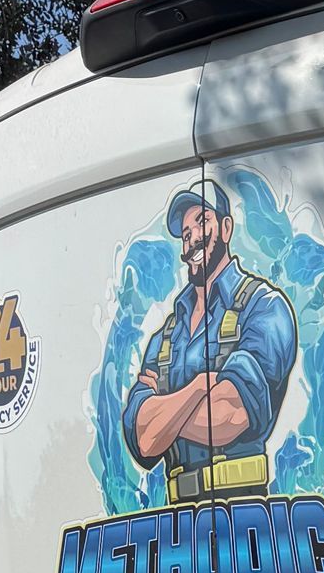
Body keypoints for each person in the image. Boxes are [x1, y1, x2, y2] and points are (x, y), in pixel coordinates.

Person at [123, 179, 298, 501]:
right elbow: (143, 440)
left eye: (202, 222)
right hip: (178, 516)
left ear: (227, 228)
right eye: (185, 233)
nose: (192, 239)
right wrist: (200, 386)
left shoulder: (265, 307)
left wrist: (162, 413)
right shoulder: (165, 336)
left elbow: (230, 416)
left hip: (243, 507)